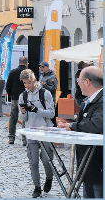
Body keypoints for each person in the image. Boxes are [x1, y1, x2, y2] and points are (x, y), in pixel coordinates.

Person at [58, 66, 103, 198]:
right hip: (87, 164)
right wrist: (70, 124)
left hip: (98, 164)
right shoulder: (87, 101)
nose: (77, 83)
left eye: (79, 80)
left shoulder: (102, 100)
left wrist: (71, 126)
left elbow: (96, 125)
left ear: (87, 82)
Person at [18, 69, 55, 198]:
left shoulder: (45, 94)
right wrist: (23, 112)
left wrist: (37, 110)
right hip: (31, 131)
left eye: (29, 82)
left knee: (46, 160)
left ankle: (49, 177)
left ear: (34, 80)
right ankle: (37, 187)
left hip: (45, 131)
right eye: (24, 83)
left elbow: (51, 113)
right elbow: (22, 119)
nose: (27, 85)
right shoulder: (23, 96)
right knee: (33, 161)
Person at [5, 56, 28, 145]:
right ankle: (24, 139)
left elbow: (8, 86)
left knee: (13, 118)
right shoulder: (28, 72)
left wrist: (11, 95)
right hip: (26, 98)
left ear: (19, 62)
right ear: (26, 63)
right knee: (25, 118)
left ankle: (11, 138)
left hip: (15, 98)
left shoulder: (12, 72)